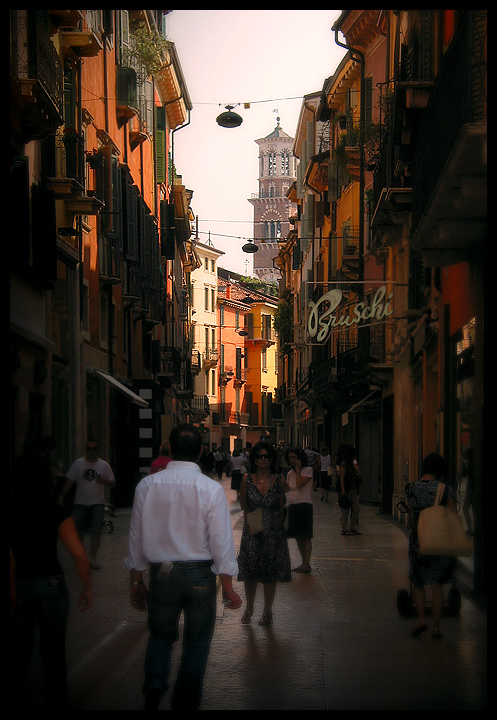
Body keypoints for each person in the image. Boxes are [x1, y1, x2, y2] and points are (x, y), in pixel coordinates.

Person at [126, 423, 241, 711]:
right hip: (200, 575)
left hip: (161, 573)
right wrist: (227, 587)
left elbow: (136, 537)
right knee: (196, 645)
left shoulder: (147, 485)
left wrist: (136, 580)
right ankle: (185, 703)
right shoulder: (211, 489)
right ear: (201, 451)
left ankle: (154, 683)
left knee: (161, 635)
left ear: (169, 450)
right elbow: (221, 542)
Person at [10, 452, 92, 709]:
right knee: (53, 654)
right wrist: (87, 587)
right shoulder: (55, 509)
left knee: (18, 656)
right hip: (51, 586)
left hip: (20, 586)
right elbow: (78, 554)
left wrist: (11, 587)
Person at [404, 453, 457, 639]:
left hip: (418, 541)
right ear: (440, 471)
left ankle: (421, 619)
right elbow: (453, 515)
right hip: (439, 542)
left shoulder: (410, 488)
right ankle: (436, 626)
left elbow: (411, 515)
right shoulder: (446, 489)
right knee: (437, 585)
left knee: (418, 582)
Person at [237, 442, 291, 625]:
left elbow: (281, 506)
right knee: (250, 572)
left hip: (274, 532)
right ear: (254, 459)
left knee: (271, 573)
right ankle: (249, 608)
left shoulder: (280, 480)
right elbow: (244, 505)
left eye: (267, 456)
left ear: (271, 459)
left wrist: (275, 524)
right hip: (253, 530)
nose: (263, 459)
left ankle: (268, 611)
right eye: (260, 456)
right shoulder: (246, 479)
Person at [59, 440, 115, 569]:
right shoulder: (78, 464)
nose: (91, 452)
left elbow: (113, 483)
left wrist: (104, 481)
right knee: (78, 531)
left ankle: (92, 558)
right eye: (88, 449)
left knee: (96, 531)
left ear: (97, 450)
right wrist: (62, 494)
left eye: (93, 449)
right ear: (85, 449)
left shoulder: (104, 465)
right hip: (79, 503)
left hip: (97, 503)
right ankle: (82, 556)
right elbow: (69, 481)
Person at [285, 447, 314, 573]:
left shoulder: (308, 470)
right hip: (293, 505)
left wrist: (297, 470)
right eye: (290, 458)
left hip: (304, 505)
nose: (292, 460)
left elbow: (299, 484)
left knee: (305, 535)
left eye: (294, 458)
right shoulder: (289, 474)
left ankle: (306, 563)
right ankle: (303, 562)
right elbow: (287, 489)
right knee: (297, 535)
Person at [338, 446, 362, 536]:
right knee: (346, 509)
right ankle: (344, 528)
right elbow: (341, 478)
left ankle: (352, 527)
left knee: (356, 508)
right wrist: (343, 490)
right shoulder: (343, 465)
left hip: (353, 488)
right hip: (347, 489)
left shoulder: (351, 464)